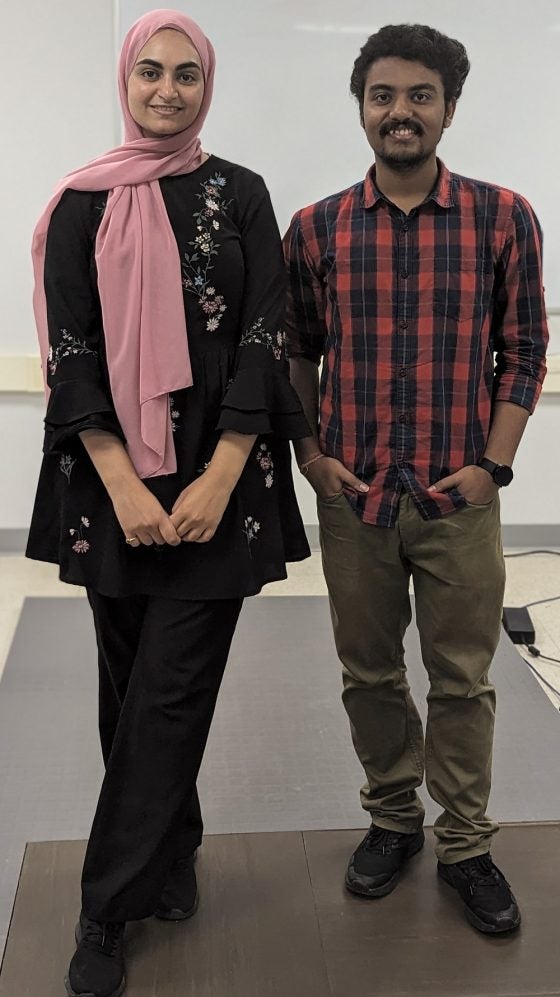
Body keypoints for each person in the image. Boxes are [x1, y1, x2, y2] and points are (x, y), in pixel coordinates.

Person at [27, 9, 310, 996]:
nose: (166, 89)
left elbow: (265, 334)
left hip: (218, 478)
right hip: (109, 479)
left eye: (186, 73)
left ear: (207, 85)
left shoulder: (243, 193)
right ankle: (170, 845)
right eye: (149, 70)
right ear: (125, 78)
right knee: (129, 682)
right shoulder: (81, 202)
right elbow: (71, 349)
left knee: (171, 687)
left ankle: (105, 907)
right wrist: (119, 482)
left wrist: (223, 471)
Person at [284, 23, 548, 936]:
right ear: (362, 108)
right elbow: (296, 352)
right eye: (383, 96)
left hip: (456, 499)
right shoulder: (315, 227)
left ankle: (466, 843)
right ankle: (394, 820)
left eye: (420, 96)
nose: (401, 112)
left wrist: (491, 468)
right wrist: (312, 458)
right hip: (354, 500)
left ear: (449, 108)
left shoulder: (503, 216)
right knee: (368, 673)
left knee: (463, 679)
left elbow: (524, 352)